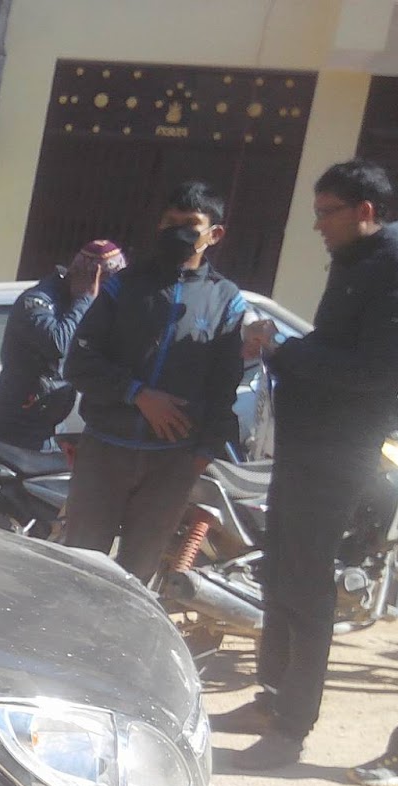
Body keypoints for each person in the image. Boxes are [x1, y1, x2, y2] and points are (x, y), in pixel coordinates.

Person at [218, 159, 398, 770]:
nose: (319, 225)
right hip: (307, 447)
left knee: (306, 588)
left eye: (328, 213)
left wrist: (282, 351)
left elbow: (373, 373)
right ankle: (270, 700)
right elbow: (332, 349)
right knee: (280, 575)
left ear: (365, 211)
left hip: (339, 452)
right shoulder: (358, 262)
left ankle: (291, 728)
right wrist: (278, 348)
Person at [62, 181, 246, 581]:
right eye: (169, 221)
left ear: (215, 234)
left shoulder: (226, 299)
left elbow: (224, 385)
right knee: (79, 568)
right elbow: (78, 363)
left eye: (190, 224)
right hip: (105, 452)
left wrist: (204, 452)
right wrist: (138, 395)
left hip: (173, 462)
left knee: (138, 573)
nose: (177, 231)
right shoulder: (123, 285)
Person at [0, 239, 127, 450]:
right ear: (92, 278)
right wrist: (85, 299)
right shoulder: (38, 300)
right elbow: (58, 344)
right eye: (107, 284)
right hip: (16, 427)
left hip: (53, 425)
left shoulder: (79, 304)